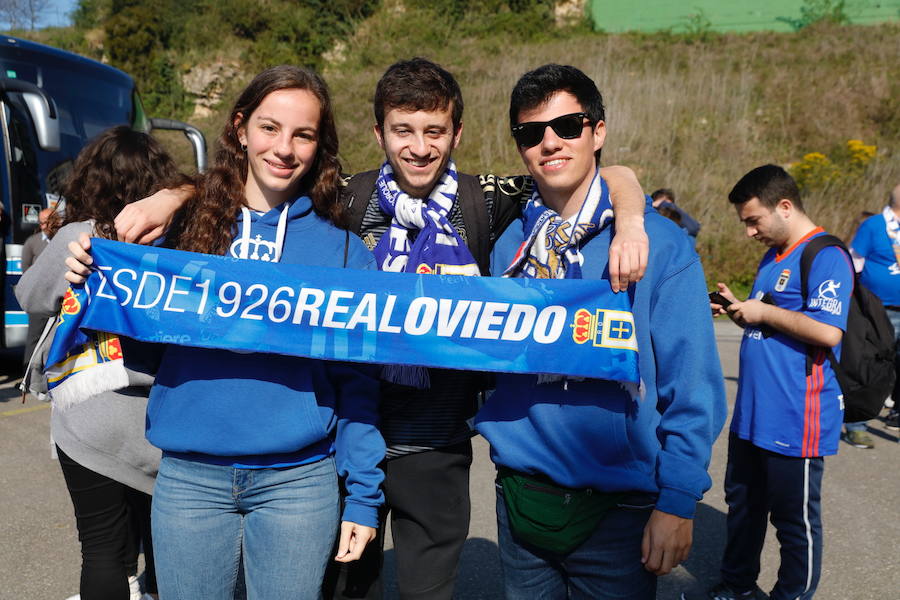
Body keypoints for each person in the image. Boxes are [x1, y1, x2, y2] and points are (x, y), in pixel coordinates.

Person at [111, 57, 651, 600]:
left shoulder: (485, 198)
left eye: (434, 131)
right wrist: (174, 196)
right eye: (403, 131)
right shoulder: (346, 199)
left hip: (434, 442)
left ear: (456, 133)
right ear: (379, 133)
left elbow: (598, 171)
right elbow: (253, 183)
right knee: (347, 590)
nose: (419, 147)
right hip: (341, 440)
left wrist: (630, 221)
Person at [66, 66, 385, 600]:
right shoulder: (181, 229)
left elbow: (357, 386)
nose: (284, 148)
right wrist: (93, 281)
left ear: (319, 146)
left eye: (302, 134)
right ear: (240, 128)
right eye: (269, 127)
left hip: (299, 484)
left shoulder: (346, 253)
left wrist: (363, 496)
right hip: (189, 481)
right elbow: (143, 350)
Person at [477, 64, 726, 599]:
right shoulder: (509, 250)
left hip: (621, 510)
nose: (550, 142)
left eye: (568, 126)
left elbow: (693, 389)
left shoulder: (659, 247)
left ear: (598, 132)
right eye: (531, 132)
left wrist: (678, 500)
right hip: (522, 496)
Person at [17, 127, 175, 600]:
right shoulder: (175, 239)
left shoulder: (77, 235)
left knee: (102, 548)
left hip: (88, 413)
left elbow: (30, 296)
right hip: (160, 413)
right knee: (166, 548)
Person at [702, 164, 854, 600]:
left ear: (784, 206)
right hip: (752, 416)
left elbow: (828, 332)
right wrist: (740, 308)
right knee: (744, 509)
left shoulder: (826, 255)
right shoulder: (774, 256)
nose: (750, 232)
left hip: (795, 419)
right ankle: (735, 587)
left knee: (795, 522)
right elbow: (769, 320)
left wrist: (763, 312)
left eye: (754, 220)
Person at [849, 187, 900, 436]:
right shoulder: (874, 226)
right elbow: (853, 263)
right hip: (879, 310)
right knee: (871, 365)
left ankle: (896, 413)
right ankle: (856, 424)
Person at [21, 206, 54, 367]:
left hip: (58, 299)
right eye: (41, 223)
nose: (44, 226)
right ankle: (27, 377)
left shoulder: (60, 240)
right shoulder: (32, 242)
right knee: (34, 336)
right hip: (39, 299)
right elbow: (25, 269)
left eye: (47, 222)